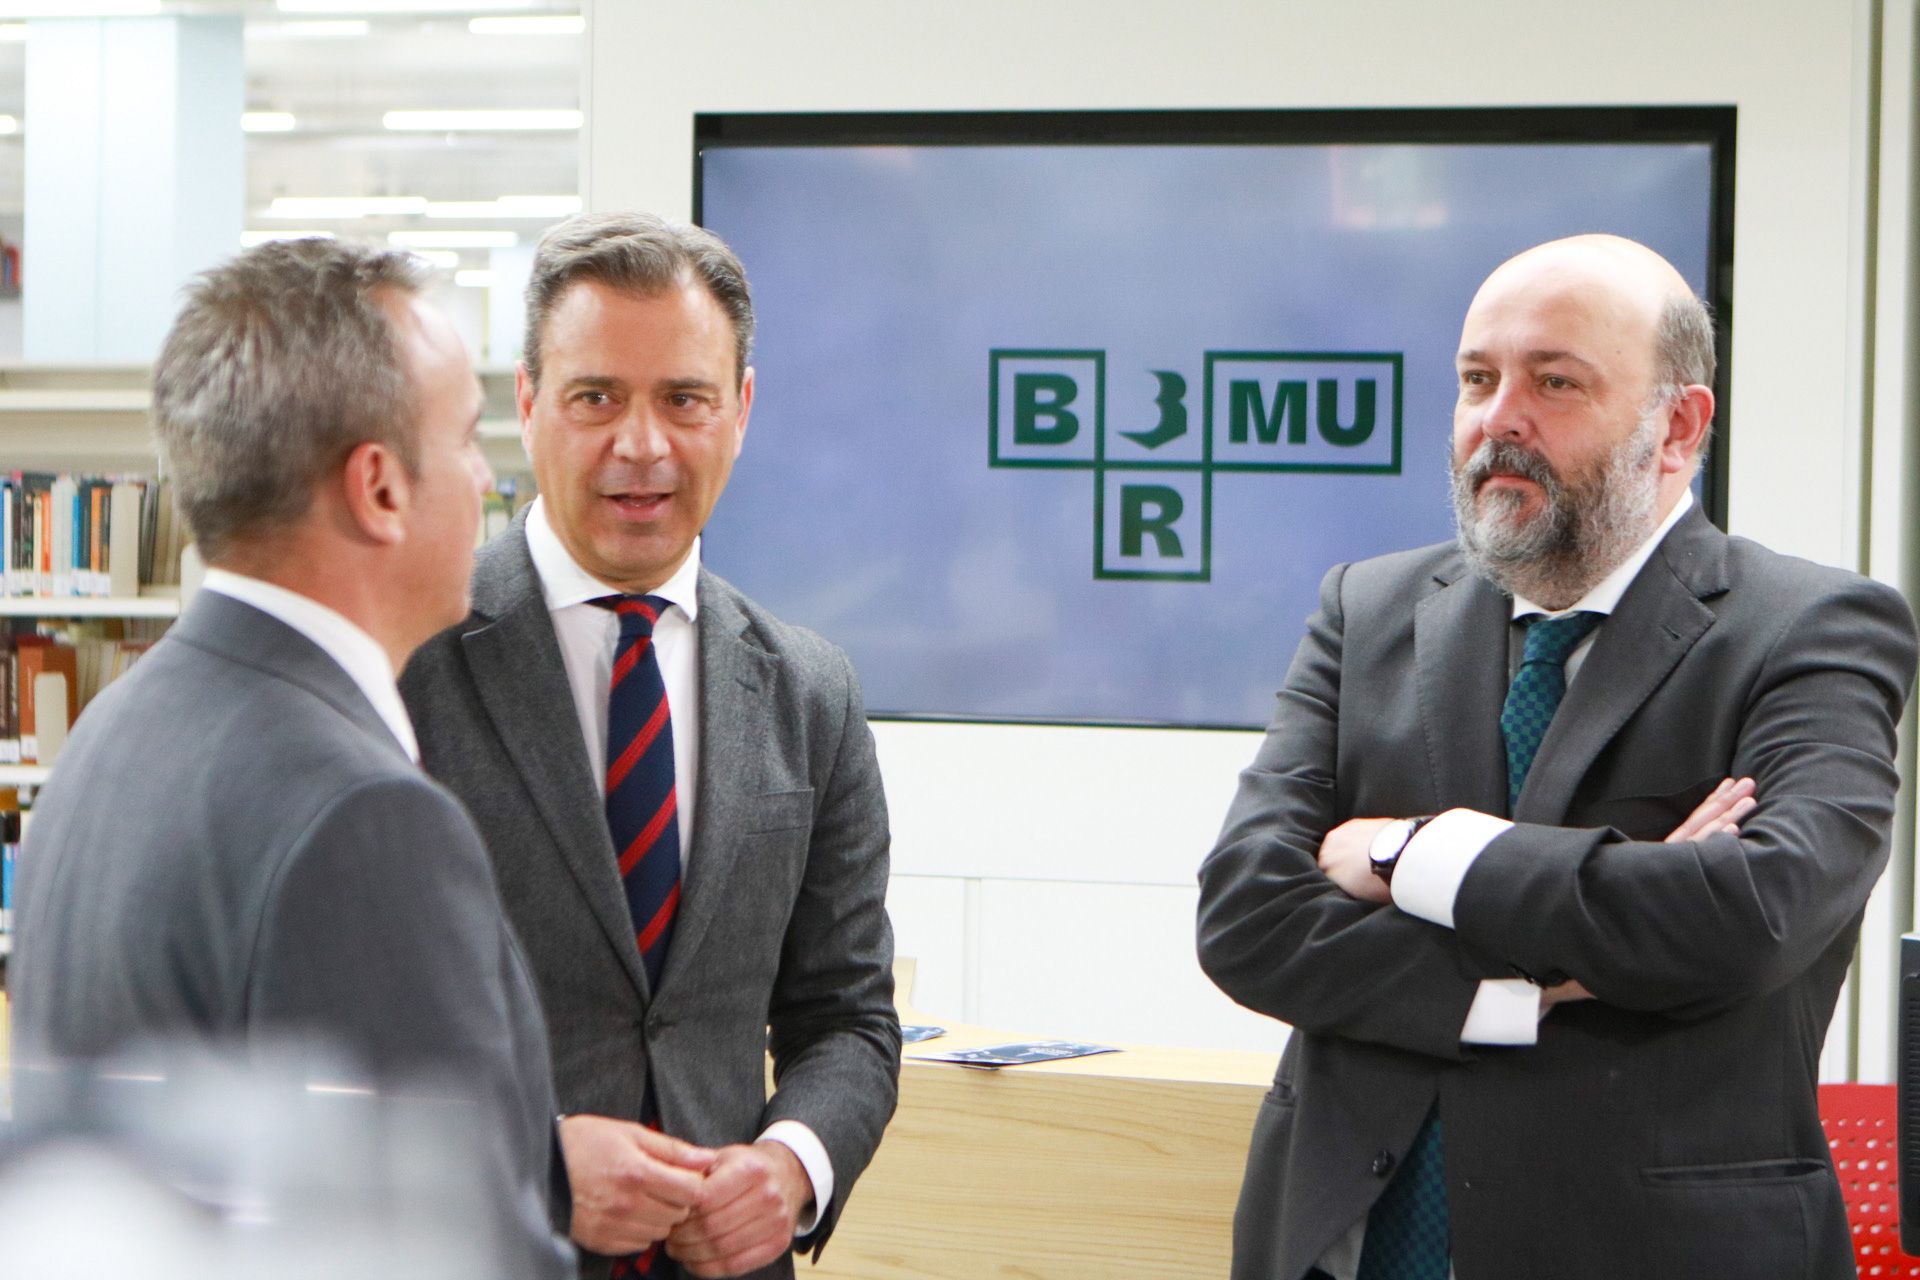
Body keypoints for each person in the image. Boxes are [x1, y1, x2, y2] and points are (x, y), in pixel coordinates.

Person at [1196, 234, 1919, 1280]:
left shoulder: (1809, 628)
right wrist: (1533, 987)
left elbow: (1756, 910)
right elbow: (1248, 916)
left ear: (1678, 425)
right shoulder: (1368, 610)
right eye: (1477, 379)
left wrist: (1415, 852)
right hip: (1347, 1244)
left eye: (1555, 381)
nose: (1500, 419)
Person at [7, 239, 574, 1276]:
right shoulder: (362, 811)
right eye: (463, 438)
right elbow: (444, 1245)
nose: (487, 473)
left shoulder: (109, 735)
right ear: (380, 489)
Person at [400, 212, 900, 1280]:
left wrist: (792, 1162)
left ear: (742, 411)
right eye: (596, 398)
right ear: (529, 404)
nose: (643, 446)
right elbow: (329, 1028)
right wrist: (527, 1157)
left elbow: (847, 1017)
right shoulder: (407, 665)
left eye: (684, 398)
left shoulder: (812, 691)